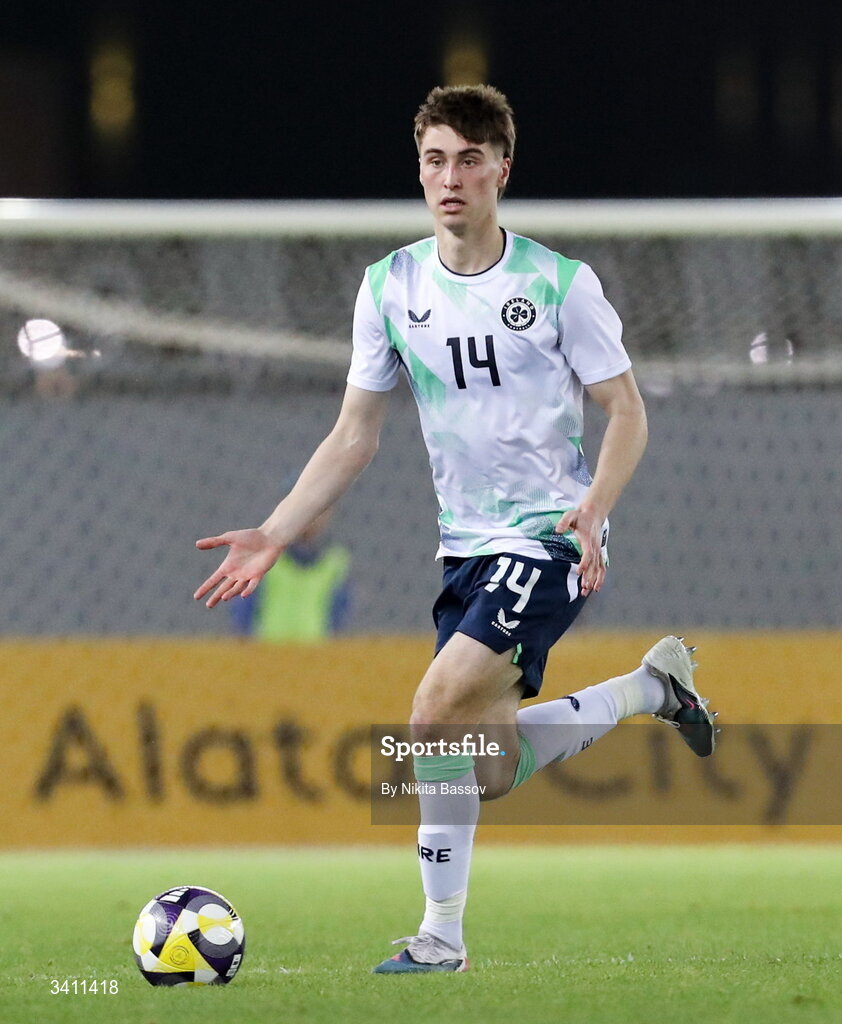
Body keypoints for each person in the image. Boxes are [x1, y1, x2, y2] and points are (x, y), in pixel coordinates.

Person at [194, 84, 717, 974]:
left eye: (469, 160)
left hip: (547, 538)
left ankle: (440, 938)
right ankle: (650, 691)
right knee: (485, 770)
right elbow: (354, 433)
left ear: (500, 172)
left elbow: (625, 410)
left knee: (430, 713)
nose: (449, 177)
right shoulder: (390, 287)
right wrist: (278, 531)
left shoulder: (558, 284)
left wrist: (593, 505)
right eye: (435, 159)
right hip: (464, 549)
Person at [228, 508, 351, 642]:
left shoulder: (335, 562)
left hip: (313, 654)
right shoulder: (265, 557)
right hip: (269, 651)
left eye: (320, 511)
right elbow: (244, 610)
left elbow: (338, 613)